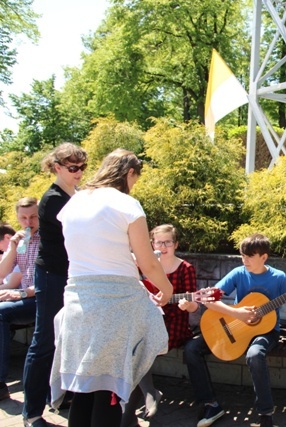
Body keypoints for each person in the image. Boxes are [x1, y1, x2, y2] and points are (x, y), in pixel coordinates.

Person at [49, 148, 173, 427]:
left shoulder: (74, 202)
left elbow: (90, 252)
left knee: (85, 387)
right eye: (135, 180)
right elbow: (148, 262)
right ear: (129, 173)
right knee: (110, 390)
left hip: (78, 303)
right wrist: (166, 291)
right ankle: (150, 394)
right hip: (115, 305)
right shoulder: (126, 204)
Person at [186, 233, 286, 427]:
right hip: (234, 327)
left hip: (267, 332)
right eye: (243, 255)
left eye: (250, 256)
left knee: (255, 354)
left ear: (264, 257)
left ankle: (265, 415)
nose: (245, 260)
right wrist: (237, 313)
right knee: (192, 348)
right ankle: (210, 404)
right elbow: (209, 300)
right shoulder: (238, 273)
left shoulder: (278, 278)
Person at [21, 143, 87, 427]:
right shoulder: (53, 199)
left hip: (71, 276)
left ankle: (60, 396)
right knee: (44, 342)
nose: (79, 173)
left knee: (69, 339)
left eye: (82, 167)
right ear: (57, 167)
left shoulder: (77, 195)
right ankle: (32, 413)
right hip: (51, 276)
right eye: (73, 168)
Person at [120, 224, 199, 426]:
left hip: (173, 322)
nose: (163, 247)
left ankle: (145, 400)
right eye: (158, 242)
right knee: (130, 347)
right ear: (151, 244)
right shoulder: (144, 266)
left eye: (168, 243)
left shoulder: (185, 269)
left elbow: (194, 306)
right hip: (147, 319)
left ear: (176, 244)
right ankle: (146, 397)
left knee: (143, 348)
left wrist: (188, 304)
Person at [0, 198, 41, 403]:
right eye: (23, 218)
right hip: (26, 297)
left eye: (33, 217)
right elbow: (2, 272)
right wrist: (13, 248)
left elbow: (51, 282)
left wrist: (22, 293)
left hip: (44, 298)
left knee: (1, 312)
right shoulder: (20, 242)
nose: (28, 222)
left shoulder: (49, 240)